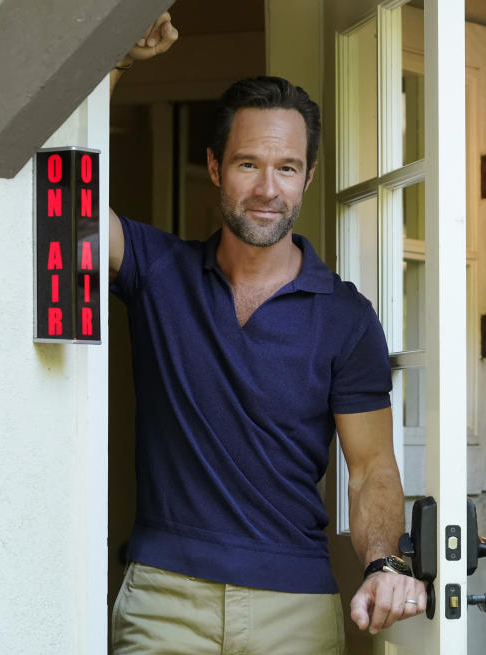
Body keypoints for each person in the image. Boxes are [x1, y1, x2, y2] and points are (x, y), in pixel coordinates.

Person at [107, 12, 427, 654]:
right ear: (214, 167)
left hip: (295, 605)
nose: (267, 189)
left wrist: (384, 563)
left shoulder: (345, 317)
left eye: (286, 168)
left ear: (309, 177)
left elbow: (369, 471)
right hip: (163, 599)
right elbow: (69, 204)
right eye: (248, 164)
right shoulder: (158, 270)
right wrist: (115, 64)